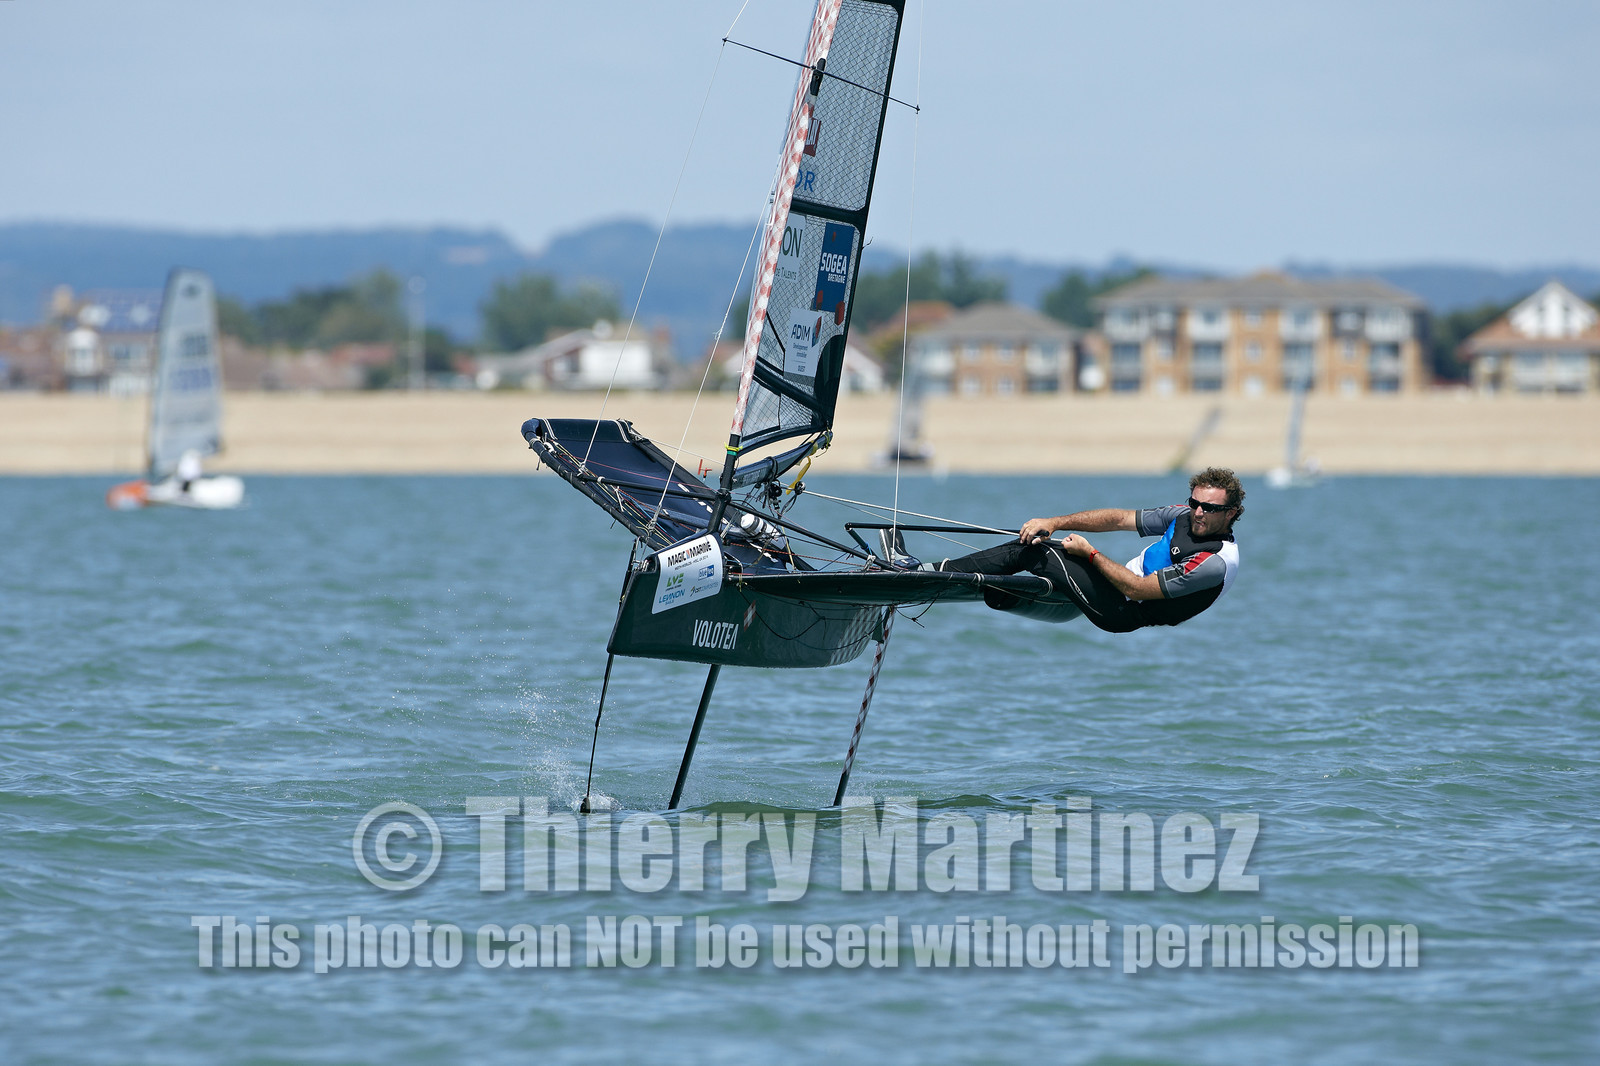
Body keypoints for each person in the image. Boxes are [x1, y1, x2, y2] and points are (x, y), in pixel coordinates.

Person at [930, 466, 1244, 633]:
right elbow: (1120, 518)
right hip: (1113, 590)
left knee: (1035, 551)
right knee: (1044, 542)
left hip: (1124, 612)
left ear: (1231, 512)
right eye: (1195, 503)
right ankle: (999, 592)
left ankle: (934, 575)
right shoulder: (1183, 516)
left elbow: (1139, 588)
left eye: (1209, 508)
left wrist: (1090, 554)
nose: (1199, 512)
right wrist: (1055, 521)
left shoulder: (1214, 561)